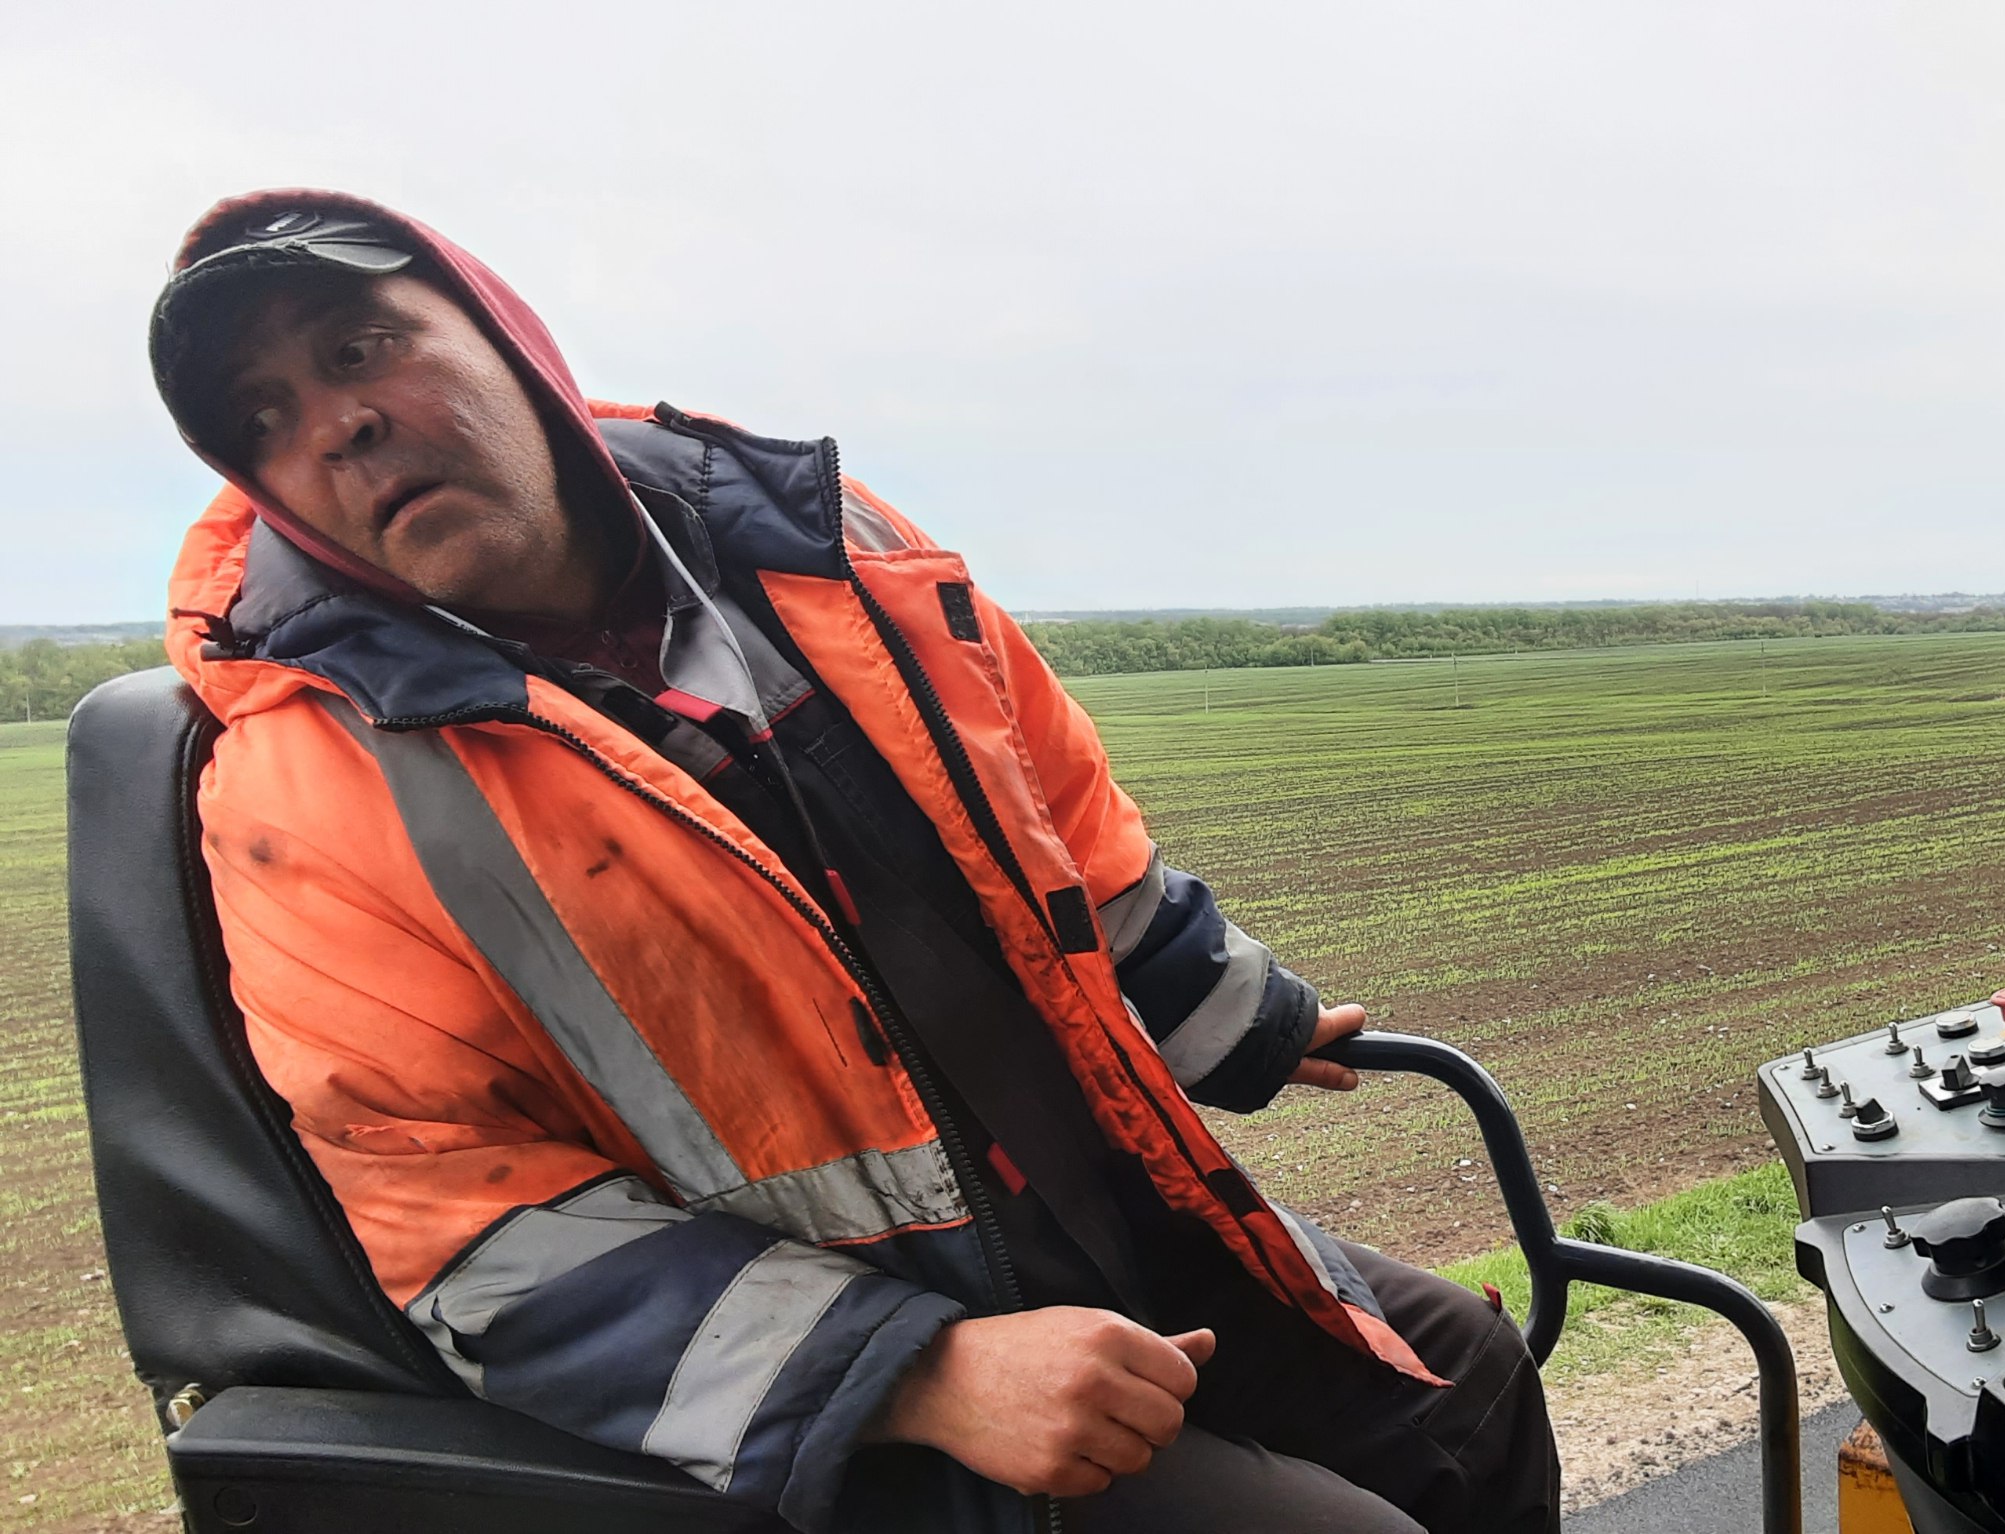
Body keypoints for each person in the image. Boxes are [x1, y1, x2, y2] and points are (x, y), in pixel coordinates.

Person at [147, 191, 1558, 1534]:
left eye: (360, 347)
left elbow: (1050, 826)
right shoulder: (307, 788)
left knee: (1475, 1386)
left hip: (1099, 1212)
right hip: (835, 1379)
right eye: (263, 418)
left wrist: (1237, 1011)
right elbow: (458, 1217)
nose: (339, 426)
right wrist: (915, 1374)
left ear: (509, 341)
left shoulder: (827, 551)